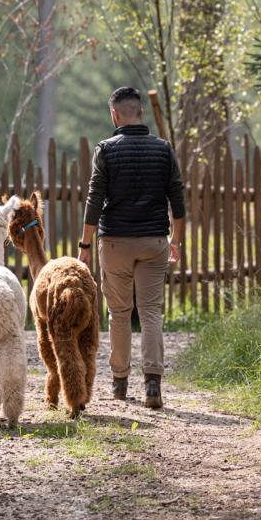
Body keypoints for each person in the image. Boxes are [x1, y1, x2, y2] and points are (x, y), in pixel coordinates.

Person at [78, 87, 184, 409]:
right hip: (153, 241)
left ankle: (120, 383)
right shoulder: (163, 150)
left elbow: (94, 199)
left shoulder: (106, 150)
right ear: (140, 112)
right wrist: (176, 241)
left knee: (119, 313)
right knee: (151, 312)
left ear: (115, 115)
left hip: (114, 242)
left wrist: (85, 243)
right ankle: (153, 383)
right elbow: (177, 199)